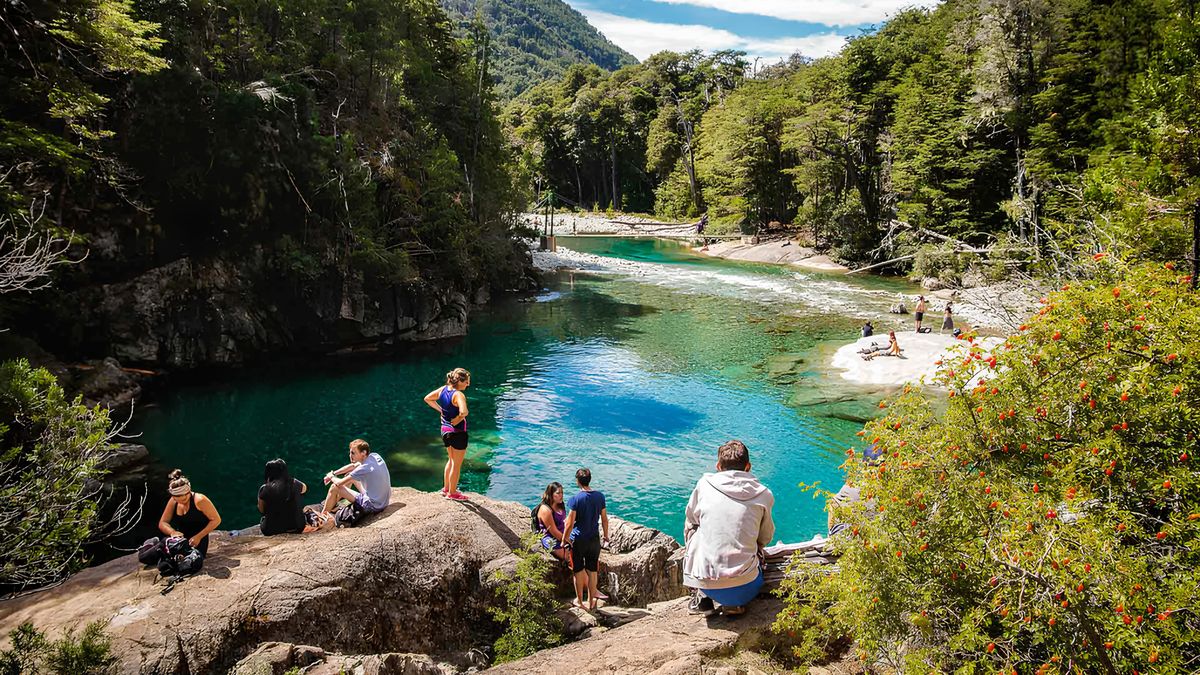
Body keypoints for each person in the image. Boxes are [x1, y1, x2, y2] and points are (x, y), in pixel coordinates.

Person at [683, 440, 775, 616]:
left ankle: (702, 598)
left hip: (708, 585)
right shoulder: (764, 494)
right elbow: (765, 537)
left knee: (693, 526)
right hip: (748, 586)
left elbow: (691, 517)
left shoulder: (704, 484)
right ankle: (733, 604)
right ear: (748, 466)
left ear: (718, 466)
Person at [561, 468, 610, 611]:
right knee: (592, 570)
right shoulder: (600, 496)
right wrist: (606, 536)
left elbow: (569, 523)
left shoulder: (575, 499)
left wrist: (564, 539)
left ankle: (580, 602)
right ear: (590, 479)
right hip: (594, 538)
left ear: (577, 481)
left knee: (578, 570)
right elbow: (605, 519)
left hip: (579, 539)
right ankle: (591, 601)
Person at [424, 368, 471, 501]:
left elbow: (427, 398)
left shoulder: (443, 389)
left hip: (445, 430)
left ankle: (445, 489)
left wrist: (441, 410)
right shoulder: (458, 395)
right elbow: (464, 412)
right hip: (457, 432)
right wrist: (457, 419)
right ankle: (453, 493)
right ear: (460, 381)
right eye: (467, 381)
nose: (468, 384)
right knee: (456, 464)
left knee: (450, 460)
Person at [158, 469, 221, 556]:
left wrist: (199, 536)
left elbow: (216, 520)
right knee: (152, 556)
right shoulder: (173, 501)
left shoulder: (200, 500)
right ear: (173, 496)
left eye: (186, 493)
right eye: (179, 496)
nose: (184, 497)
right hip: (181, 539)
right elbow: (163, 523)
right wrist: (172, 532)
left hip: (198, 540)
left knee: (190, 562)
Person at [321, 439, 391, 515]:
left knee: (334, 487)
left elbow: (339, 483)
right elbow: (353, 466)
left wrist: (331, 476)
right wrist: (334, 473)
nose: (350, 455)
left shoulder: (364, 468)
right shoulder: (375, 456)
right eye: (350, 452)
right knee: (350, 476)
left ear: (363, 453)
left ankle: (323, 515)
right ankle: (335, 504)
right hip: (383, 501)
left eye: (353, 453)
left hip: (373, 505)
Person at [258, 458, 327, 535]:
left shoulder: (264, 488)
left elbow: (262, 510)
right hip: (296, 527)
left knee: (264, 519)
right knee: (305, 509)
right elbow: (304, 489)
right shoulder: (294, 482)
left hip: (271, 530)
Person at [536, 482, 571, 563]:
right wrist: (568, 541)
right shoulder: (545, 509)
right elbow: (554, 531)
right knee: (569, 557)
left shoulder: (560, 505)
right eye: (558, 493)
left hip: (563, 535)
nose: (561, 495)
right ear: (551, 494)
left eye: (562, 492)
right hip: (551, 538)